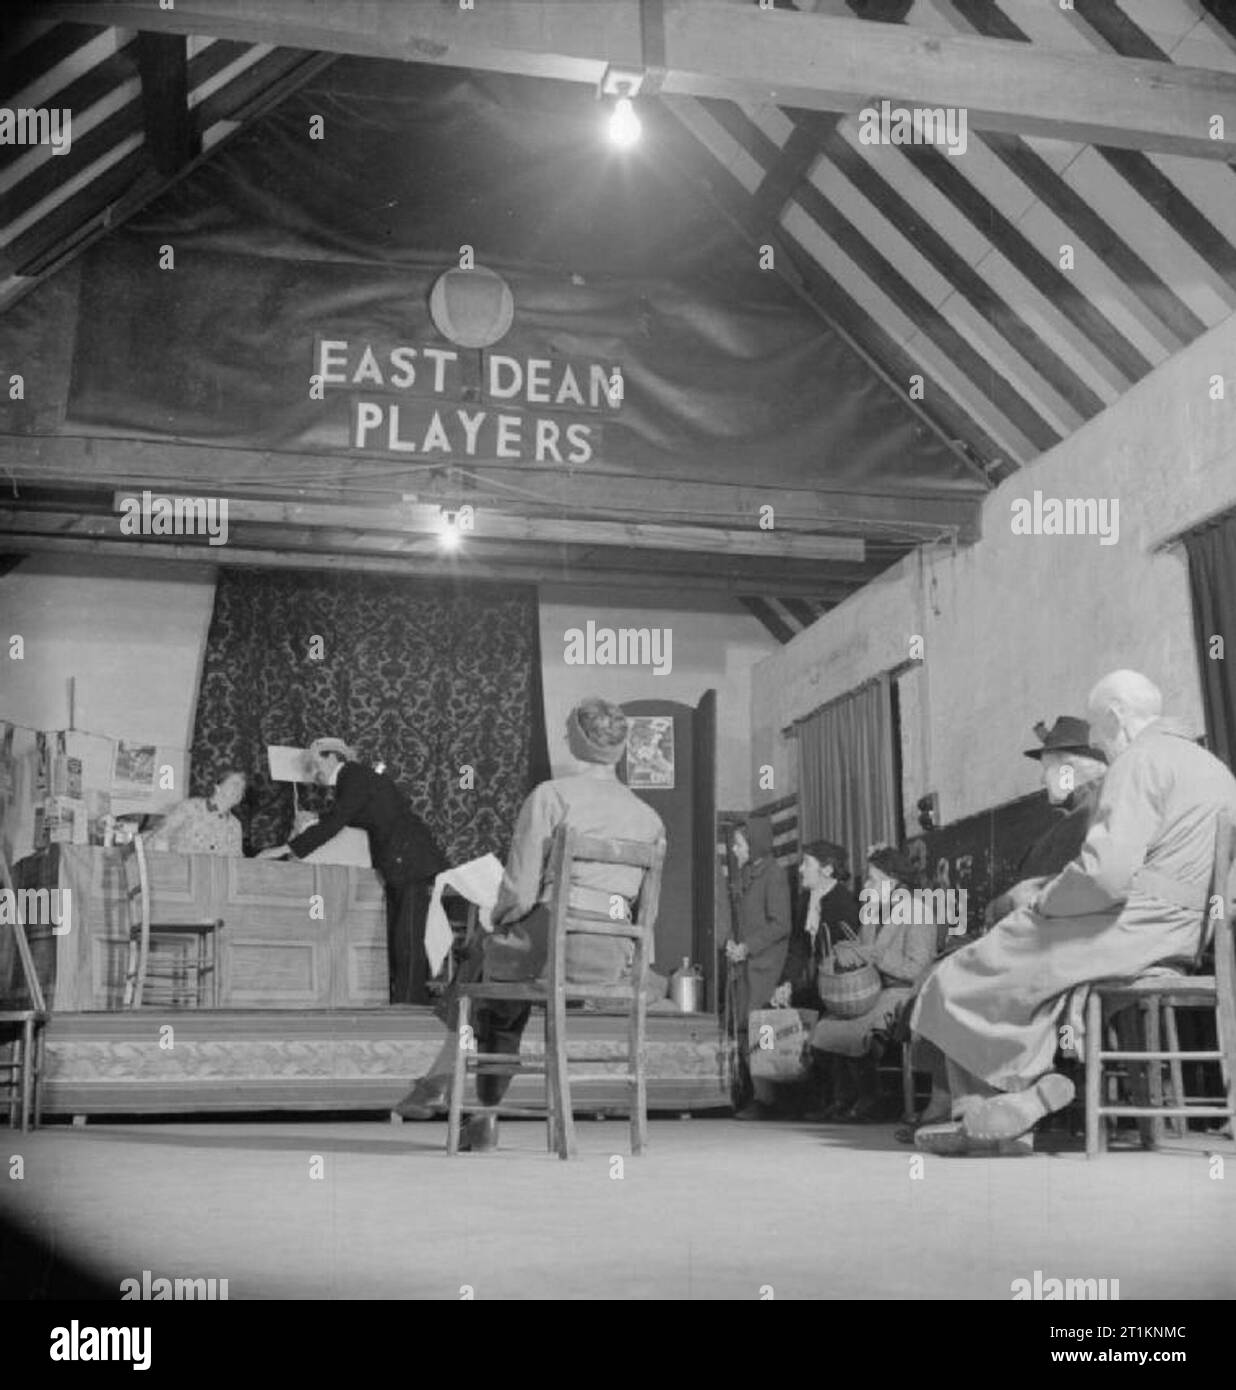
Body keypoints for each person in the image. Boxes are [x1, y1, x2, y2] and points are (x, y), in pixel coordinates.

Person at [912, 670, 1236, 1156]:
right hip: (1189, 932)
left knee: (964, 969)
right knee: (1029, 971)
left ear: (1116, 716)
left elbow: (1104, 876)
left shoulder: (1139, 761)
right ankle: (1014, 1106)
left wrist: (1044, 902)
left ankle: (991, 1105)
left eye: (1097, 729)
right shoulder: (1215, 770)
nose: (1099, 744)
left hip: (1133, 925)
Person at [395, 698, 665, 1149]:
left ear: (578, 742)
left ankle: (475, 1106)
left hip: (553, 948)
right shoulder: (649, 818)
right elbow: (648, 913)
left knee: (486, 968)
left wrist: (496, 920)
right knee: (498, 963)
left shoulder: (552, 796)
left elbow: (519, 891)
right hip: (613, 954)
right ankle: (446, 1087)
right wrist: (638, 961)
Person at [900, 716, 1108, 1139]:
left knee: (954, 975)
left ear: (1070, 769)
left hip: (1050, 941)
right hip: (1032, 933)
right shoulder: (1071, 819)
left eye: (1047, 768)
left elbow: (1060, 892)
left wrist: (1008, 903)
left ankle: (970, 1103)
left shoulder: (1088, 819)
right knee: (942, 971)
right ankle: (956, 1100)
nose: (1044, 779)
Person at [257, 737, 447, 1004]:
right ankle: (407, 1000)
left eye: (315, 765)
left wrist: (284, 849)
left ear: (333, 757)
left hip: (411, 861)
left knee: (407, 936)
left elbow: (338, 821)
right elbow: (350, 813)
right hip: (402, 862)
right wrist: (317, 819)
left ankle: (409, 1005)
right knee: (401, 934)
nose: (314, 774)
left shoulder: (353, 774)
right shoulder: (356, 779)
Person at [808, 844, 936, 1122]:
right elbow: (865, 951)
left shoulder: (918, 911)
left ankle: (872, 1097)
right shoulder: (873, 912)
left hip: (903, 992)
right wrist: (846, 951)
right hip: (871, 989)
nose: (866, 885)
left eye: (873, 880)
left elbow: (918, 970)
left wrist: (875, 957)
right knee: (831, 1023)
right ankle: (846, 1097)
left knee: (857, 1029)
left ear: (894, 882)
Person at [726, 814, 792, 1120]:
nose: (736, 851)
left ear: (754, 844)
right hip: (746, 963)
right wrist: (733, 943)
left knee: (760, 1029)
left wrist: (748, 947)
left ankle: (766, 1099)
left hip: (765, 964)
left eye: (739, 845)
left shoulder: (774, 875)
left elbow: (781, 924)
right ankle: (756, 1094)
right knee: (745, 1028)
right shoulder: (748, 873)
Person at [158, 770, 247, 855]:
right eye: (235, 784)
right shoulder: (189, 807)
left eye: (242, 789)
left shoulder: (235, 825)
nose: (239, 790)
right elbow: (162, 837)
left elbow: (236, 859)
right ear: (218, 787)